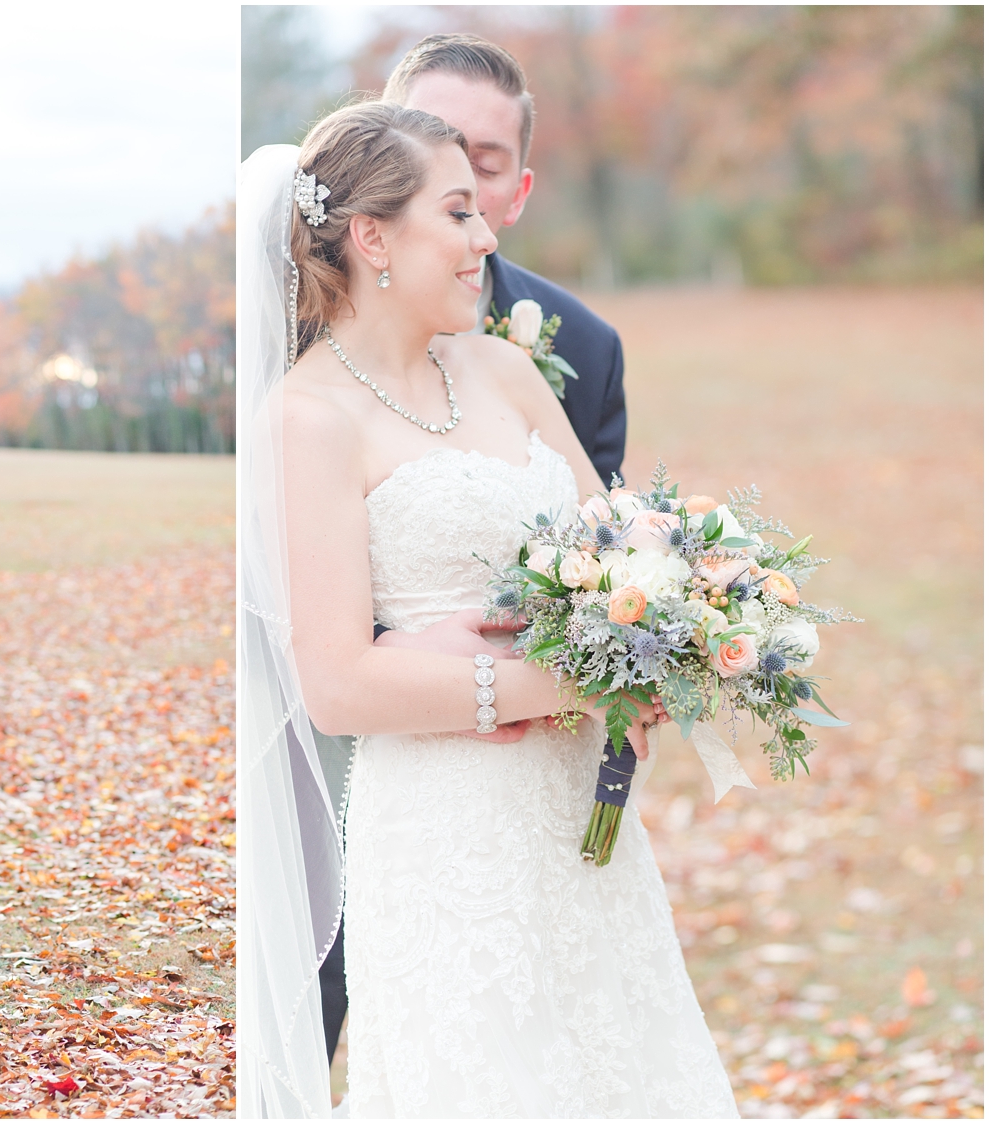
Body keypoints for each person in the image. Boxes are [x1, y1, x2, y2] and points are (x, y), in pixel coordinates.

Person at [237, 102, 736, 1116]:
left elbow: (617, 546)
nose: (487, 238)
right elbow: (334, 682)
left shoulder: (504, 368)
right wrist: (560, 676)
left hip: (582, 825)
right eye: (458, 213)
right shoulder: (308, 416)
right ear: (372, 235)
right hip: (446, 838)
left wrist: (669, 633)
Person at [314, 33, 632, 1077]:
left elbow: (605, 553)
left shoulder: (553, 351)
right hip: (391, 770)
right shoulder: (301, 371)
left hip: (550, 782)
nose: (471, 220)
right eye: (442, 183)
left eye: (480, 173)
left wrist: (663, 642)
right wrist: (448, 670)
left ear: (517, 184)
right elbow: (317, 632)